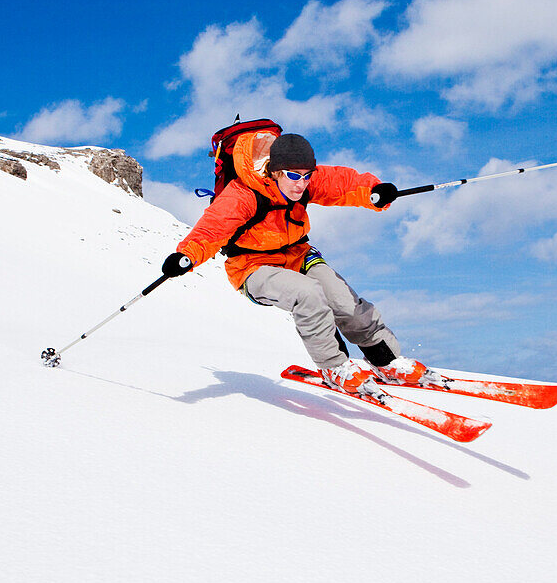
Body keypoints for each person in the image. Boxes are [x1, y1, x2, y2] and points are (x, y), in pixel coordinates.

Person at [160, 132, 428, 395]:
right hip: (253, 266)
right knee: (307, 294)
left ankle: (387, 361)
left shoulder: (305, 181)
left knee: (345, 302)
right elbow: (211, 230)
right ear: (275, 172)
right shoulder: (242, 194)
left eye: (306, 175)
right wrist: (186, 257)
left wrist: (374, 192)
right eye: (292, 175)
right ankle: (334, 367)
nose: (300, 183)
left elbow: (341, 183)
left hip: (298, 255)